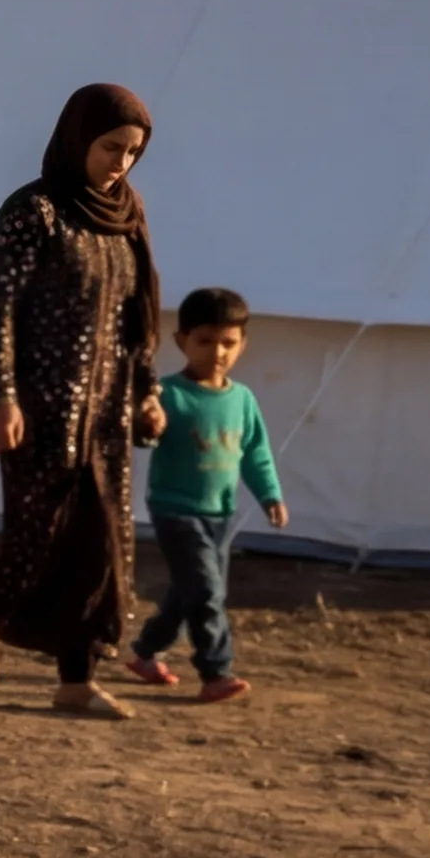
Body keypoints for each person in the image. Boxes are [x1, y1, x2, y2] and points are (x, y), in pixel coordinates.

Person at [0, 83, 168, 719]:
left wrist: (148, 392)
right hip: (41, 408)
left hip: (105, 413)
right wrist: (2, 397)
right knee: (37, 538)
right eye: (111, 148)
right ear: (79, 139)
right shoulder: (36, 211)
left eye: (133, 152)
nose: (121, 163)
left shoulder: (126, 214)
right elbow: (1, 311)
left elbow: (136, 321)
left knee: (101, 547)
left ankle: (76, 680)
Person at [131, 285, 289, 700]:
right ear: (182, 340)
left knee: (188, 592)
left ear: (242, 344)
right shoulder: (167, 393)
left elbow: (255, 452)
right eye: (205, 341)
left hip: (220, 511)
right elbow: (143, 438)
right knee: (206, 591)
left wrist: (270, 495)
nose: (217, 352)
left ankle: (145, 651)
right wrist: (147, 424)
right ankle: (216, 671)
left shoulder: (242, 400)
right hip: (174, 508)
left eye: (228, 343)